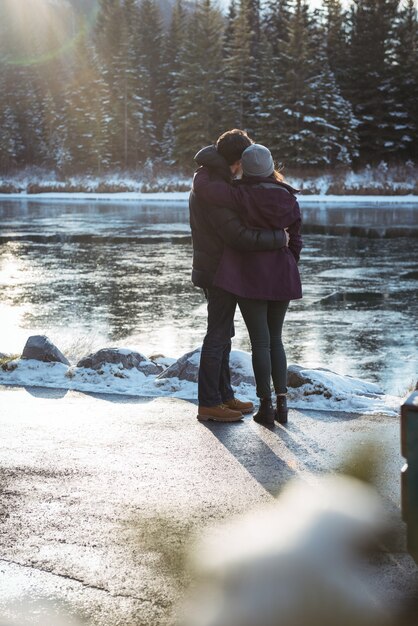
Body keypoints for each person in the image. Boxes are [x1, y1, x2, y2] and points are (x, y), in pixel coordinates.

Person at [193, 143, 302, 426]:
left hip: (251, 279)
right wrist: (288, 262)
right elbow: (296, 240)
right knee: (276, 340)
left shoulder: (238, 196)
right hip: (282, 276)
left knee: (260, 343)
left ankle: (265, 407)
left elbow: (234, 228)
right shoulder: (289, 196)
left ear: (245, 167)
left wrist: (202, 174)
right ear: (270, 166)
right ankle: (282, 404)